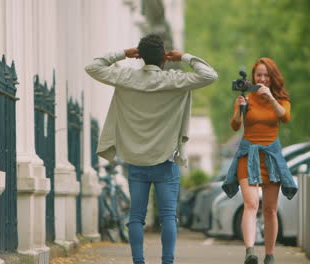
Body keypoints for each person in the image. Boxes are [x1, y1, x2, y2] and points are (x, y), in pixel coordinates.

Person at [85, 34, 217, 264]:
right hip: (165, 160)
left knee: (135, 216)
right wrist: (184, 57)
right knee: (168, 217)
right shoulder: (174, 80)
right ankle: (167, 261)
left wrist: (123, 53)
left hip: (136, 159)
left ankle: (139, 261)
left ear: (140, 56)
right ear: (164, 58)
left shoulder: (125, 77)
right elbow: (210, 75)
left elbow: (93, 67)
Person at [221, 58, 298, 264]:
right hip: (248, 155)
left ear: (272, 78)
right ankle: (250, 251)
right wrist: (239, 110)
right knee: (251, 203)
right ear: (253, 77)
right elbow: (235, 126)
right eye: (258, 75)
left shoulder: (281, 98)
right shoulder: (247, 98)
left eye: (266, 75)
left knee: (270, 208)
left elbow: (285, 117)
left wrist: (271, 98)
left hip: (271, 156)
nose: (262, 78)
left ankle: (270, 255)